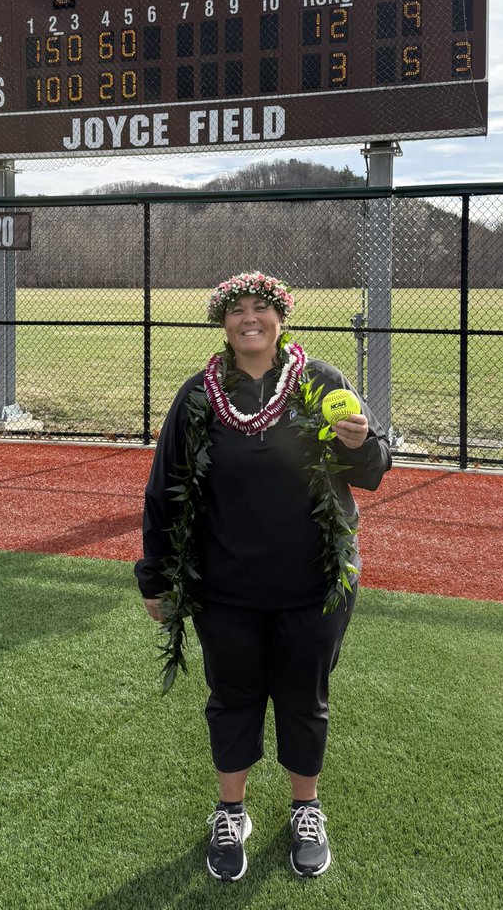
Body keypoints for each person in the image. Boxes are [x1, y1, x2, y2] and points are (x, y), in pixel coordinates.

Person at [135, 272, 392, 881]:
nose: (249, 319)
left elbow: (374, 468)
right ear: (223, 323)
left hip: (314, 582)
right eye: (236, 311)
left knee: (305, 698)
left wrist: (358, 443)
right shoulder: (199, 395)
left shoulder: (321, 381)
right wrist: (155, 576)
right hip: (225, 587)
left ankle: (307, 808)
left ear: (281, 317)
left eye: (261, 309)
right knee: (233, 698)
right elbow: (163, 491)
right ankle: (231, 812)